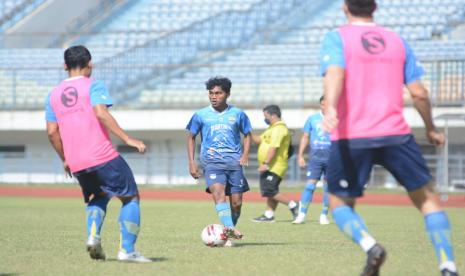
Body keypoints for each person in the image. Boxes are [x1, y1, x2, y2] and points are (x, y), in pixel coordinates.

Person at [321, 1, 458, 276]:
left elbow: (336, 72)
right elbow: (419, 93)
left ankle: (371, 246)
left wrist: (332, 107)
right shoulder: (397, 41)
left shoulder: (337, 38)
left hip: (353, 135)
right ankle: (448, 266)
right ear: (375, 7)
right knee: (428, 199)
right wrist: (430, 128)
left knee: (338, 203)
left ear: (345, 7)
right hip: (396, 134)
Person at [45, 46, 151, 262]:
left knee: (98, 196)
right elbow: (101, 113)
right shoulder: (94, 85)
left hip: (77, 162)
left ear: (65, 66)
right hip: (102, 155)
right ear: (90, 64)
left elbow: (51, 132)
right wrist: (127, 139)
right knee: (130, 197)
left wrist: (65, 158)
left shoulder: (53, 95)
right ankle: (127, 251)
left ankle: (93, 237)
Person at [186, 76, 251, 247]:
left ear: (227, 94)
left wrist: (245, 155)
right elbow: (191, 137)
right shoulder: (200, 115)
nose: (214, 96)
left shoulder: (238, 114)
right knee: (218, 194)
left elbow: (248, 135)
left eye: (218, 93)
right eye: (211, 93)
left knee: (236, 204)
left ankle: (227, 231)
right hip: (212, 163)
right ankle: (229, 229)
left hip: (234, 164)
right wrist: (192, 163)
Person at [251, 105, 298, 223]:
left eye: (266, 116)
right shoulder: (271, 128)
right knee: (272, 191)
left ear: (273, 115)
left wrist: (266, 163)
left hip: (275, 165)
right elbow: (259, 140)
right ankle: (269, 215)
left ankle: (293, 205)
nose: (265, 118)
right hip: (270, 165)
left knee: (269, 190)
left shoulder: (279, 128)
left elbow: (274, 148)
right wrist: (248, 131)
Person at [292, 96, 330, 225]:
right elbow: (305, 136)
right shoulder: (313, 119)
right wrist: (300, 155)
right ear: (320, 105)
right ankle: (301, 214)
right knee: (310, 185)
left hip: (332, 158)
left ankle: (324, 215)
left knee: (328, 187)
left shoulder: (337, 119)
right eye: (324, 104)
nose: (326, 107)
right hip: (316, 158)